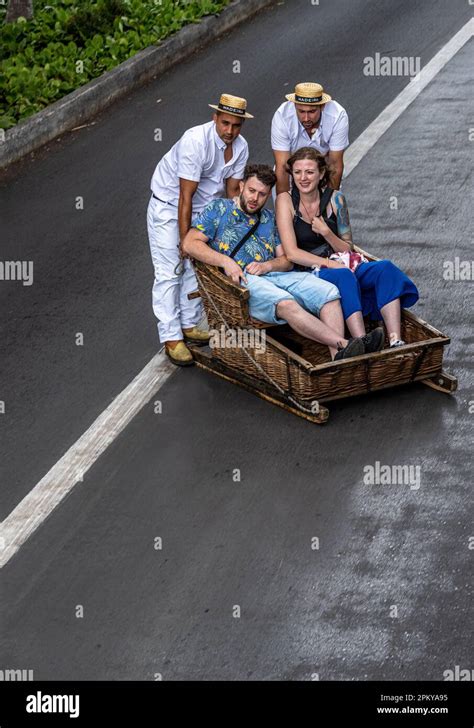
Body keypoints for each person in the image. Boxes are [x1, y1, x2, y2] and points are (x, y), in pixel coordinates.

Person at [182, 164, 383, 361]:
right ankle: (344, 346)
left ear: (269, 195)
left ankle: (336, 360)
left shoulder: (269, 218)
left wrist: (268, 266)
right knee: (286, 302)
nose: (255, 198)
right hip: (243, 281)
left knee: (330, 294)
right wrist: (226, 261)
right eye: (252, 190)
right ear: (241, 186)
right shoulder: (219, 208)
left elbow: (286, 261)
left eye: (262, 194)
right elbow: (189, 244)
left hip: (276, 275)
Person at [275, 147, 419, 347]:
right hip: (310, 269)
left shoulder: (336, 199)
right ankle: (362, 341)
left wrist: (327, 232)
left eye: (309, 172)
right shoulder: (286, 200)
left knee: (385, 268)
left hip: (341, 261)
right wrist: (329, 264)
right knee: (344, 276)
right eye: (298, 172)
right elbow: (292, 253)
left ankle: (395, 338)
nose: (303, 178)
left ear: (321, 173)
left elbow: (347, 247)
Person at [147, 94, 251, 366]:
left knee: (199, 266)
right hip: (171, 206)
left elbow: (231, 193)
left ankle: (189, 324)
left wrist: (230, 235)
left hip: (206, 209)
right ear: (215, 118)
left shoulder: (241, 147)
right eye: (225, 123)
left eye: (236, 125)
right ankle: (171, 336)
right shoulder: (195, 141)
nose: (230, 131)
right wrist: (185, 241)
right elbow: (185, 196)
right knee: (171, 269)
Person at [271, 82, 349, 194]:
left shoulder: (337, 115)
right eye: (301, 111)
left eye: (312, 112)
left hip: (323, 170)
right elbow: (283, 166)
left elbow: (335, 165)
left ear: (322, 106)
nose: (306, 118)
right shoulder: (282, 116)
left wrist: (329, 202)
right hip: (291, 170)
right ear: (294, 106)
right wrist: (284, 205)